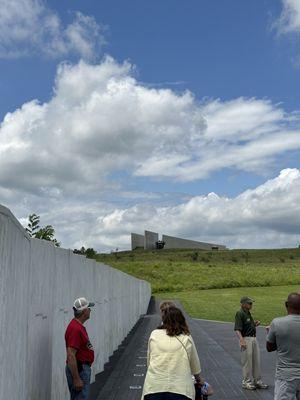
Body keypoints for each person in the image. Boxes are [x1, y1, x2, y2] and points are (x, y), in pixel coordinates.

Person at [142, 306, 203, 400]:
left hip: (154, 387)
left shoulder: (154, 334)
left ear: (164, 320)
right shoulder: (186, 338)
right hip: (181, 390)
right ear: (181, 320)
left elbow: (149, 361)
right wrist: (199, 380)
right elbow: (195, 367)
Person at [266, 292, 300, 400]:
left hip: (285, 376)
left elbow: (269, 348)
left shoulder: (277, 323)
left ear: (286, 304)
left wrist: (273, 335)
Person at [234, 296, 268, 390]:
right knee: (247, 362)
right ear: (243, 304)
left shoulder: (248, 313)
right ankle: (246, 382)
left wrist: (254, 324)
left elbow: (248, 325)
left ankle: (257, 381)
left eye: (251, 303)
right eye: (249, 303)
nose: (251, 305)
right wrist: (241, 340)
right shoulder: (240, 313)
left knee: (256, 360)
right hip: (246, 339)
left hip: (253, 338)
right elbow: (237, 329)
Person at [65, 297, 95, 400]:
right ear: (84, 311)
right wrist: (77, 378)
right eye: (89, 308)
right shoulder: (75, 329)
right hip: (80, 370)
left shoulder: (77, 327)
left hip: (81, 369)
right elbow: (71, 355)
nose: (90, 310)